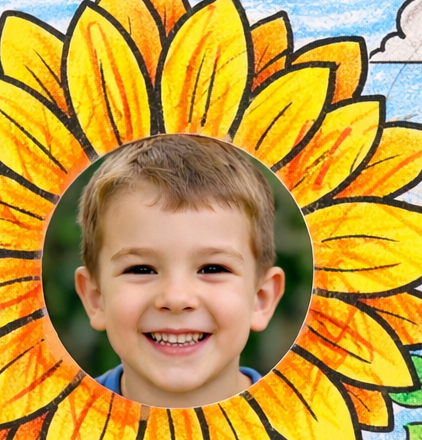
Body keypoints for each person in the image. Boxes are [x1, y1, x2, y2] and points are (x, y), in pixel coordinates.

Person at [73, 135, 285, 408]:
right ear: (95, 298)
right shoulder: (56, 430)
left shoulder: (310, 439)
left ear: (261, 299)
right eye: (141, 269)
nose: (176, 298)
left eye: (212, 268)